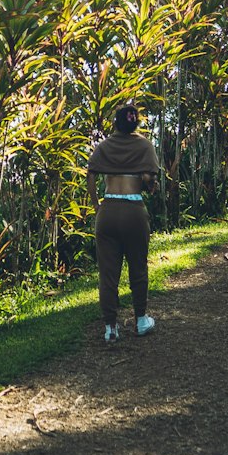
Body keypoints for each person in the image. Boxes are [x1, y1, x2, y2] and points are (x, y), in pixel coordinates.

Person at [86, 103, 160, 342]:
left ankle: (110, 328)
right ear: (135, 123)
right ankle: (140, 321)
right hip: (133, 211)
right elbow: (150, 181)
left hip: (107, 211)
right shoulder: (144, 146)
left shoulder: (104, 146)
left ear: (115, 123)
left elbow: (90, 173)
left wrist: (97, 206)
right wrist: (147, 180)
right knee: (138, 268)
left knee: (108, 273)